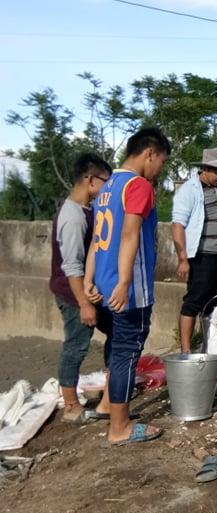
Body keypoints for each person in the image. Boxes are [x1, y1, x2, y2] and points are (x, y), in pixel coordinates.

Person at [84, 127, 170, 446]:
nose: (159, 167)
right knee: (126, 353)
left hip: (106, 283)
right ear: (150, 153)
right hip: (129, 289)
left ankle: (111, 407)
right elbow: (129, 235)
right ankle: (119, 427)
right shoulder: (138, 186)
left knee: (119, 349)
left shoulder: (107, 188)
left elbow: (96, 240)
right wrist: (123, 282)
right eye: (160, 160)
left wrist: (91, 280)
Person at [50, 153, 114, 423]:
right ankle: (71, 405)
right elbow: (72, 266)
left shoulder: (87, 210)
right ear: (89, 180)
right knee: (76, 345)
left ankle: (113, 393)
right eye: (105, 183)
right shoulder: (73, 218)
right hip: (74, 295)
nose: (107, 189)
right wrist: (85, 304)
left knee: (117, 332)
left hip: (88, 292)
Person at [171, 147, 217, 352]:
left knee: (215, 303)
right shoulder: (190, 190)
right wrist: (182, 258)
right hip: (202, 256)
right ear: (205, 169)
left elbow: (216, 213)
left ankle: (210, 347)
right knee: (194, 302)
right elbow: (178, 225)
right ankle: (186, 350)